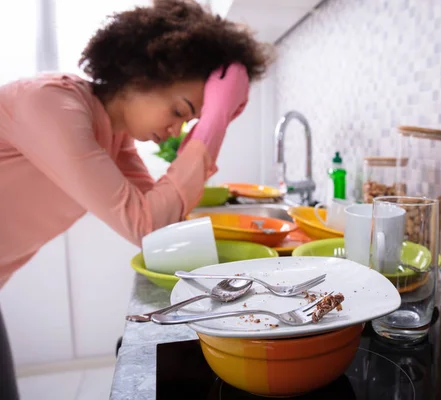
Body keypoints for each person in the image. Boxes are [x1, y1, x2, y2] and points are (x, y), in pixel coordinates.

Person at [0, 0, 271, 398]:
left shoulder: (110, 135)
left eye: (190, 121)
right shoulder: (52, 105)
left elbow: (160, 233)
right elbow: (145, 223)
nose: (178, 129)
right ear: (144, 71)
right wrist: (211, 127)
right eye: (181, 110)